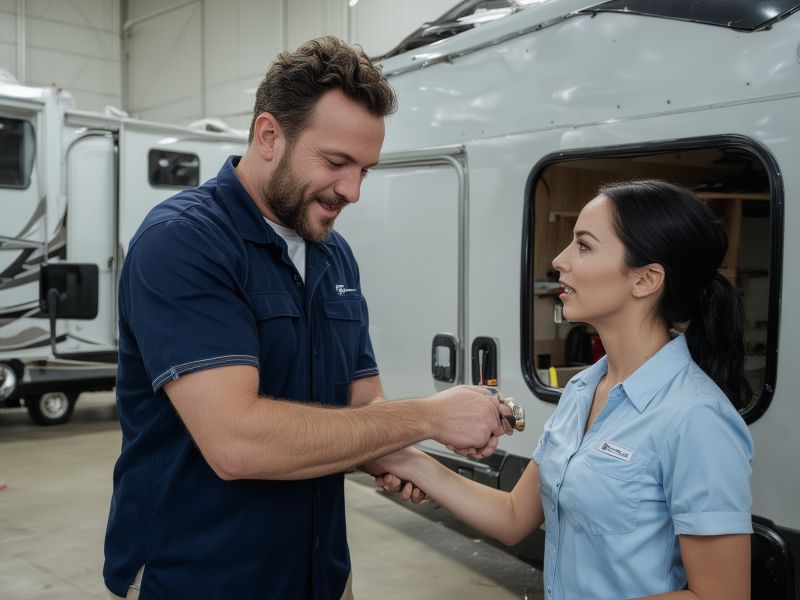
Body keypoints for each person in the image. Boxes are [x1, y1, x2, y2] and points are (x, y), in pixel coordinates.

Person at [103, 36, 506, 600]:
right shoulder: (184, 242)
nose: (353, 191)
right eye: (337, 163)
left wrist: (404, 456)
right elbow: (237, 442)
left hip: (319, 574)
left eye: (365, 170)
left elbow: (363, 406)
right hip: (203, 578)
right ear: (269, 135)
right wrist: (430, 417)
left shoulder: (333, 254)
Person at [375, 180, 754, 600]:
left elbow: (721, 595)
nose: (559, 260)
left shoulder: (697, 417)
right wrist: (409, 460)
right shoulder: (583, 389)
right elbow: (514, 516)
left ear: (646, 279)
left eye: (584, 246)